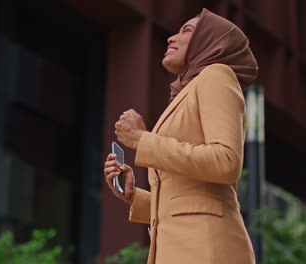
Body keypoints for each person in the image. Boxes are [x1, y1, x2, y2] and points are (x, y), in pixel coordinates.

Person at [103, 7, 258, 264]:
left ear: (211, 41)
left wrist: (143, 140)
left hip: (206, 251)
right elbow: (191, 197)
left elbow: (226, 162)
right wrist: (133, 196)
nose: (171, 38)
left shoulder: (217, 75)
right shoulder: (191, 89)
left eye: (186, 30)